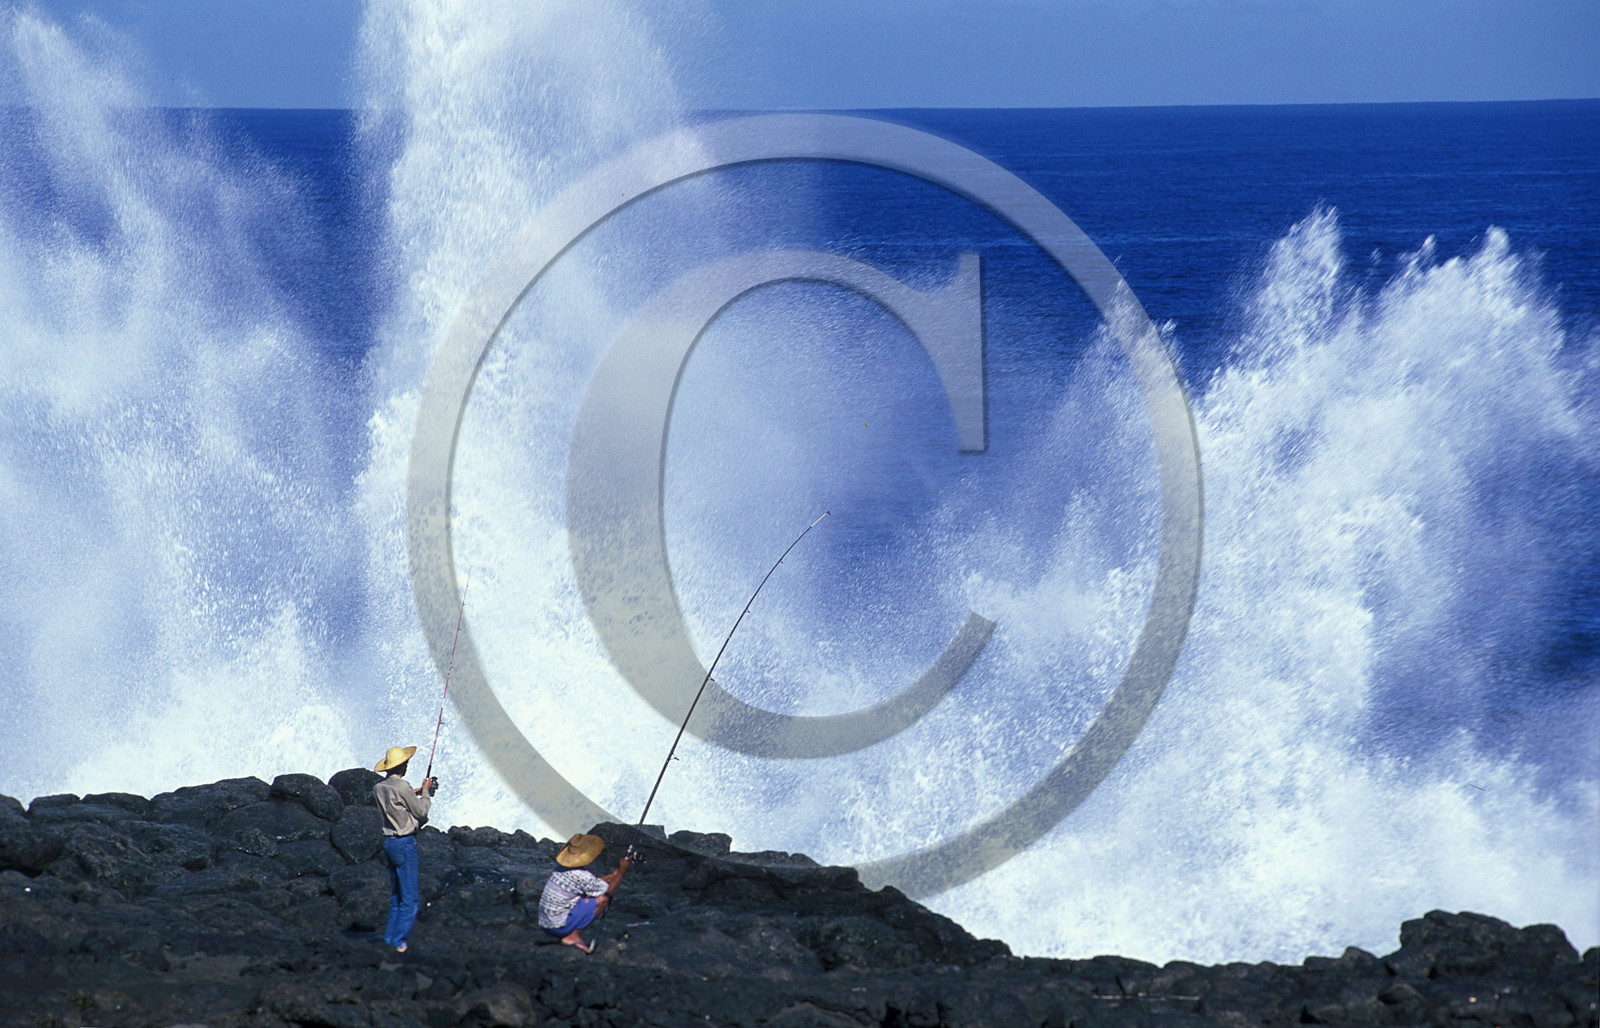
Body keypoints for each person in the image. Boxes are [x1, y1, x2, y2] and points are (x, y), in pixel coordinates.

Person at [372, 745, 438, 954]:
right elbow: (421, 812)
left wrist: (417, 791)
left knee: (396, 897)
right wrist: (425, 792)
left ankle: (390, 939)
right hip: (404, 843)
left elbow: (397, 799)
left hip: (389, 843)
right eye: (406, 763)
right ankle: (399, 943)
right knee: (409, 900)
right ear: (402, 766)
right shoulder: (402, 787)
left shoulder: (379, 788)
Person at [537, 832, 630, 953]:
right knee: (603, 900)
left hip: (546, 924)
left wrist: (613, 875)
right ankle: (572, 936)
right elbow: (610, 891)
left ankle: (570, 933)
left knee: (588, 897)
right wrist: (622, 872)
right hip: (559, 927)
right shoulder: (581, 876)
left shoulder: (561, 868)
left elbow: (590, 884)